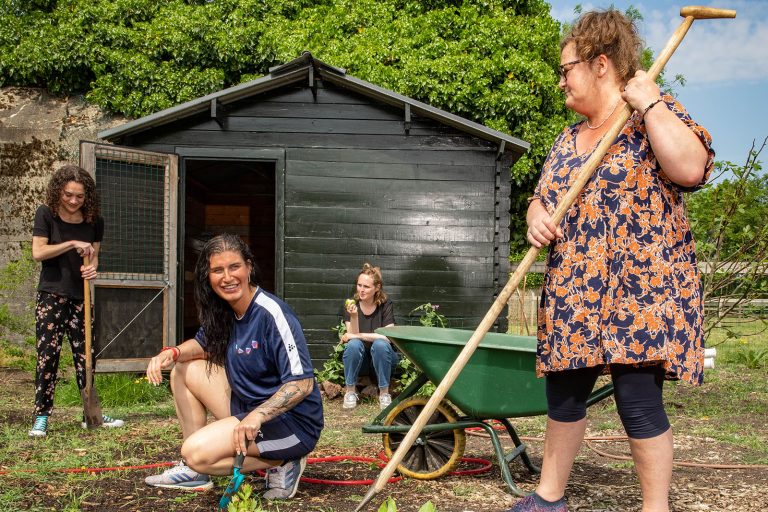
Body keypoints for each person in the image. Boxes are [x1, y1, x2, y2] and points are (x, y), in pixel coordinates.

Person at [511, 9, 714, 512]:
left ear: (601, 64)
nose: (561, 80)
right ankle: (549, 497)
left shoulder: (653, 115)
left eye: (567, 69)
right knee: (564, 394)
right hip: (576, 287)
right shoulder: (566, 140)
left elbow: (690, 168)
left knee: (638, 402)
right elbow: (542, 197)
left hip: (640, 289)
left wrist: (651, 104)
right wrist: (536, 214)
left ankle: (654, 508)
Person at [144, 233, 323, 500]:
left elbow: (302, 383)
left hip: (290, 423)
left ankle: (284, 461)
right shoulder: (225, 310)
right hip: (248, 409)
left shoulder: (272, 313)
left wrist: (258, 415)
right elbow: (203, 345)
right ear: (209, 276)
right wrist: (173, 352)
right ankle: (195, 474)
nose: (227, 277)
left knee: (196, 454)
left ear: (249, 267)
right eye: (218, 270)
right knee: (184, 368)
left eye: (234, 267)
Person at [29, 164, 124, 437]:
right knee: (48, 357)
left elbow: (94, 256)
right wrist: (71, 243)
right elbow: (39, 252)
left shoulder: (94, 220)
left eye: (79, 197)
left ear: (87, 197)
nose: (73, 201)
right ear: (59, 191)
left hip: (80, 298)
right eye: (68, 195)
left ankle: (90, 413)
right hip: (51, 295)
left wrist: (93, 268)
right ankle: (42, 416)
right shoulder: (46, 214)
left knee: (86, 358)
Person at [341, 263, 398, 410]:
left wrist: (358, 335)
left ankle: (384, 394)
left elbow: (387, 336)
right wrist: (354, 316)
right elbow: (352, 339)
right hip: (362, 362)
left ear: (377, 288)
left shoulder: (385, 304)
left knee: (380, 344)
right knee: (353, 345)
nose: (361, 290)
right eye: (359, 285)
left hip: (383, 360)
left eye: (366, 286)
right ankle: (350, 392)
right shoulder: (351, 305)